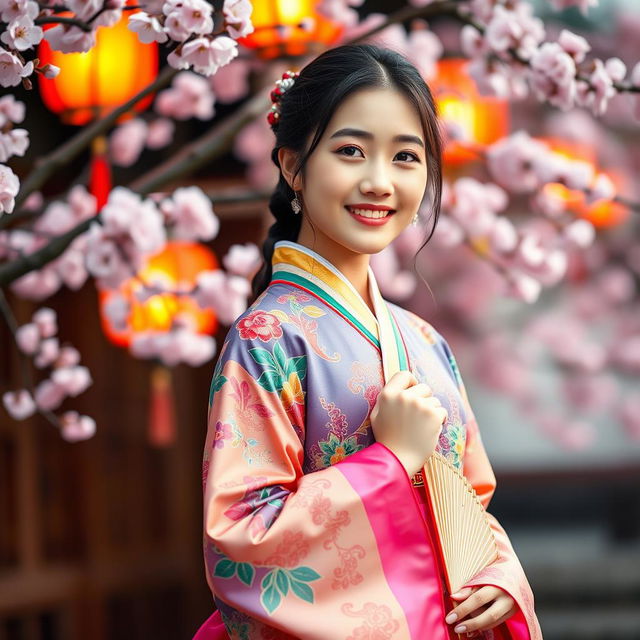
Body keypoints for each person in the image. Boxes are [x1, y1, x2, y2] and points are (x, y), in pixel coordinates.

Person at [194, 43, 542, 640]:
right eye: (351, 151)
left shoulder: (424, 340)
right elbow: (241, 539)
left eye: (406, 157)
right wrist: (391, 462)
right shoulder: (267, 337)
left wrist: (499, 575)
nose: (379, 182)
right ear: (293, 167)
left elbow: (471, 505)